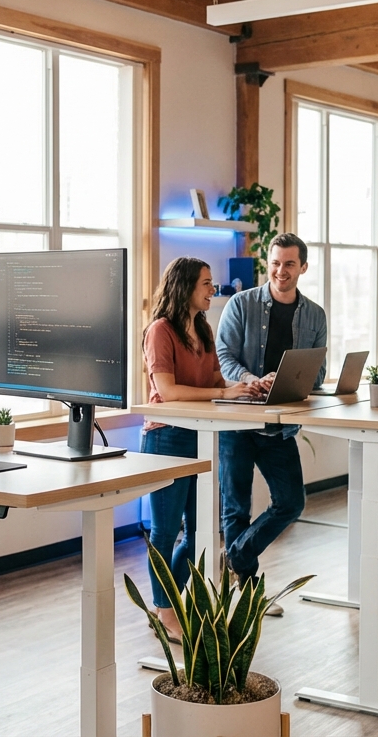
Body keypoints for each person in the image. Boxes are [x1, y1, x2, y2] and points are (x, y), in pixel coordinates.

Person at [141, 257, 261, 640]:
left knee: (198, 533)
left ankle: (166, 605)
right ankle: (166, 611)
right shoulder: (160, 331)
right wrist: (223, 392)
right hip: (166, 436)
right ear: (186, 287)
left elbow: (213, 379)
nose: (213, 290)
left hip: (201, 435)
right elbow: (169, 391)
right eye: (207, 284)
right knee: (163, 532)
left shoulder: (203, 328)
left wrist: (247, 385)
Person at [215, 233, 328, 588]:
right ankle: (245, 592)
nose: (281, 271)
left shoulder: (315, 315)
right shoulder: (240, 304)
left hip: (279, 427)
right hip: (239, 422)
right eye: (276, 262)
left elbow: (319, 371)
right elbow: (224, 357)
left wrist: (290, 379)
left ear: (303, 268)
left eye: (289, 264)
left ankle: (234, 557)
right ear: (269, 263)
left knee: (291, 502)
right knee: (235, 509)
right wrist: (251, 378)